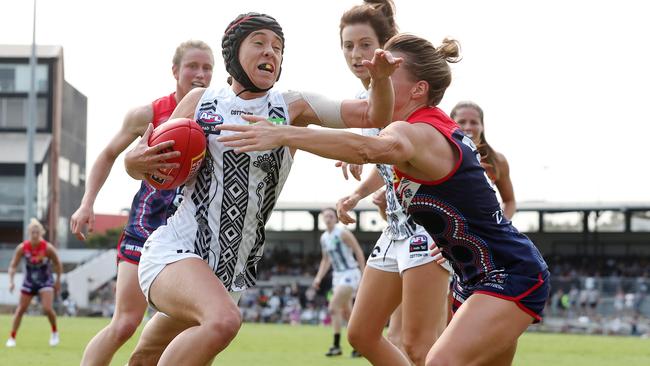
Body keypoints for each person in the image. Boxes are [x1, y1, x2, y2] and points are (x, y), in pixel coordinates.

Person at [216, 33, 550, 366]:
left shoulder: (416, 131)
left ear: (418, 90)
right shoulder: (422, 130)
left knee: (438, 361)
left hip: (510, 273)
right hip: (476, 278)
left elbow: (368, 149)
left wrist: (283, 132)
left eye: (387, 77)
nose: (378, 85)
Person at [122, 12, 400, 365]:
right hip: (175, 250)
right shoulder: (199, 101)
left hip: (228, 275)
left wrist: (380, 80)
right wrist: (133, 165)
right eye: (259, 43)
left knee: (148, 354)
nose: (271, 52)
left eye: (278, 47)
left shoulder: (291, 106)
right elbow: (158, 167)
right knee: (223, 321)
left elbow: (375, 115)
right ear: (234, 51)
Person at [69, 40, 214, 366]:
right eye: (193, 66)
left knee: (193, 326)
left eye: (207, 67)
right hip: (146, 226)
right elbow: (108, 155)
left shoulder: (216, 112)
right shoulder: (148, 114)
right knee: (125, 323)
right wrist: (87, 203)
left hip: (191, 233)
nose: (200, 73)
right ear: (175, 70)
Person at [332, 2, 454, 365]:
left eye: (365, 45)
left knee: (417, 345)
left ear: (386, 49)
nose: (356, 55)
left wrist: (359, 150)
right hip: (396, 227)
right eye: (348, 46)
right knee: (366, 335)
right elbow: (388, 160)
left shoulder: (403, 96)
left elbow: (405, 152)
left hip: (428, 225)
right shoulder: (360, 101)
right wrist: (359, 190)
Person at [312, 208, 365, 357]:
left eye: (331, 216)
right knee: (347, 312)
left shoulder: (342, 233)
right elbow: (326, 260)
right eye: (326, 216)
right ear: (323, 219)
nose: (328, 218)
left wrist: (363, 273)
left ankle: (336, 346)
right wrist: (318, 277)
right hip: (337, 276)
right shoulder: (324, 238)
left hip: (350, 273)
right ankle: (359, 346)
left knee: (333, 307)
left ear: (335, 219)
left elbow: (358, 251)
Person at [450, 101, 516, 219]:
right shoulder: (439, 156)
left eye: (474, 122)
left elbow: (509, 201)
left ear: (482, 126)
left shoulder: (497, 160)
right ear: (450, 124)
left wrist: (501, 227)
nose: (468, 127)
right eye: (461, 122)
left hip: (481, 231)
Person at [6, 218, 62, 348]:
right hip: (29, 281)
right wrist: (11, 281)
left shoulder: (48, 248)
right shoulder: (22, 248)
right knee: (20, 310)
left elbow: (58, 264)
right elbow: (13, 266)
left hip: (45, 281)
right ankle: (12, 337)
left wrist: (58, 281)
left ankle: (54, 332)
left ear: (41, 233)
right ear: (29, 233)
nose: (35, 235)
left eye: (37, 232)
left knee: (47, 308)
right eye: (33, 232)